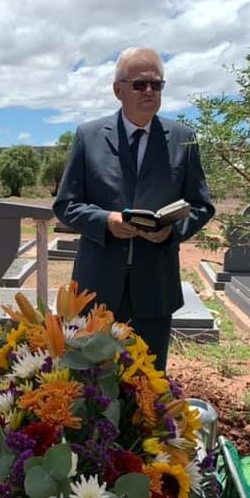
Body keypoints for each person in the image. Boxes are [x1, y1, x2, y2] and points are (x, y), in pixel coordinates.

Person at [53, 47, 215, 371]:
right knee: (91, 383)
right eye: (140, 84)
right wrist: (105, 220)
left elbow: (201, 205)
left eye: (157, 84)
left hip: (155, 288)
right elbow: (66, 204)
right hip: (96, 288)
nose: (149, 91)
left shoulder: (183, 138)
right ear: (118, 90)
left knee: (148, 383)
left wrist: (171, 231)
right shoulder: (88, 136)